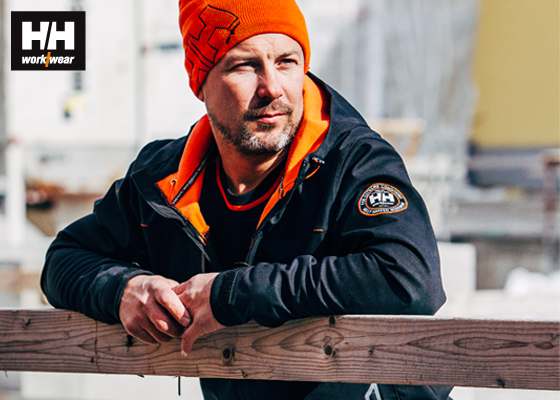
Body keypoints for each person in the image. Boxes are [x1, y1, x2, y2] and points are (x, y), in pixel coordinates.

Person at [41, 0, 453, 399]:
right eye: (244, 65)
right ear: (201, 82)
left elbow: (409, 278)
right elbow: (64, 258)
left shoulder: (353, 161)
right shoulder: (162, 180)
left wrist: (229, 295)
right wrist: (125, 289)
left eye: (287, 62)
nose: (272, 88)